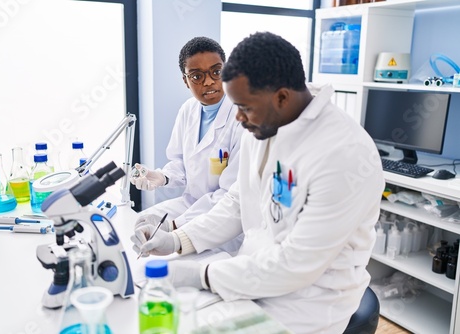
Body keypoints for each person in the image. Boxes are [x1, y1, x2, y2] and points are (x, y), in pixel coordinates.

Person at [131, 31, 385, 333]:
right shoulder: (264, 123)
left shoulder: (344, 155)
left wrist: (203, 275)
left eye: (244, 107)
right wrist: (178, 239)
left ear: (281, 97)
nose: (237, 118)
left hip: (309, 301)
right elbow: (238, 202)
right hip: (251, 273)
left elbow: (295, 264)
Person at [130, 36, 243, 234]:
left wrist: (176, 226)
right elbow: (179, 161)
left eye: (217, 72)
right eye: (197, 76)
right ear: (185, 81)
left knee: (167, 245)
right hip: (190, 204)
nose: (209, 82)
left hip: (223, 216)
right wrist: (162, 176)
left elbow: (230, 193)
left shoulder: (242, 117)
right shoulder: (188, 110)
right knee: (140, 223)